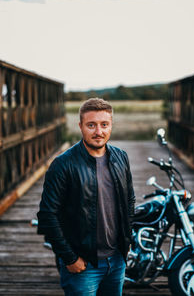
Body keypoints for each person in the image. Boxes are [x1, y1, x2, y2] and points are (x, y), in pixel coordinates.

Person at [37, 98, 135, 296]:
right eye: (91, 125)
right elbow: (47, 215)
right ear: (80, 126)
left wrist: (127, 238)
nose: (98, 131)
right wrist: (69, 258)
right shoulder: (63, 164)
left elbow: (129, 201)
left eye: (104, 125)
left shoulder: (121, 157)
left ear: (111, 125)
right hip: (83, 264)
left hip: (116, 260)